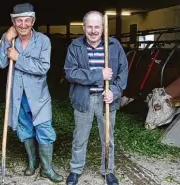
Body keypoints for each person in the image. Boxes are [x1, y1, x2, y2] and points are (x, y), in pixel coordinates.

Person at [0, 3, 63, 183]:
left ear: (33, 21)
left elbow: (43, 67)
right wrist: (6, 41)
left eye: (27, 20)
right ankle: (32, 164)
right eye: (19, 20)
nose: (23, 24)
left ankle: (47, 169)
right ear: (13, 22)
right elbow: (1, 63)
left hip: (39, 97)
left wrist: (18, 57)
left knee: (45, 130)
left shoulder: (43, 41)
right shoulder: (10, 39)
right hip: (17, 96)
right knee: (25, 130)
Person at [64, 11, 128, 185]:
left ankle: (108, 171)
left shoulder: (114, 45)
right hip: (83, 99)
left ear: (103, 28)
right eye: (89, 26)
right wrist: (99, 74)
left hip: (107, 99)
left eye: (97, 27)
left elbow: (123, 72)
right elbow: (71, 73)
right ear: (84, 27)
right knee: (80, 138)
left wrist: (114, 91)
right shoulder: (75, 46)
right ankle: (76, 169)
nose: (93, 30)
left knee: (108, 138)